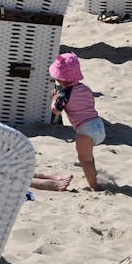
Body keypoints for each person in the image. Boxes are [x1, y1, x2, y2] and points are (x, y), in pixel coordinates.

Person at [48, 53, 104, 191]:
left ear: (61, 78)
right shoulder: (85, 89)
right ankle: (93, 176)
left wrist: (54, 99)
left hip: (85, 129)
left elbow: (56, 111)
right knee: (88, 158)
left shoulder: (64, 94)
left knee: (85, 160)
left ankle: (94, 186)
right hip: (98, 125)